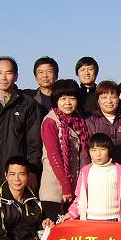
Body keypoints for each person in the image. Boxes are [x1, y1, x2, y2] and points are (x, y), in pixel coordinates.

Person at [0, 49, 43, 193]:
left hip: (18, 177)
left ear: (16, 76)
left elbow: (34, 141)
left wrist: (32, 170)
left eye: (8, 73)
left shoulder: (27, 104)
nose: (4, 78)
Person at [65, 133, 121, 223]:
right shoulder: (85, 172)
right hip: (89, 220)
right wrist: (71, 213)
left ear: (109, 150)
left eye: (102, 149)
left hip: (114, 220)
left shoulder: (120, 172)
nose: (98, 154)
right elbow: (80, 197)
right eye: (93, 150)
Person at [39, 79, 89, 221]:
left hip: (75, 186)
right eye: (63, 98)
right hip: (55, 188)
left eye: (72, 98)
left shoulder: (79, 120)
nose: (67, 102)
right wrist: (66, 187)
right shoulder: (50, 121)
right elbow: (53, 155)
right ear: (56, 100)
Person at [84, 81, 121, 165]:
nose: (109, 101)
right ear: (98, 100)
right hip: (100, 169)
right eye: (104, 97)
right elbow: (85, 151)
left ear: (118, 99)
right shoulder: (90, 122)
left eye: (113, 97)